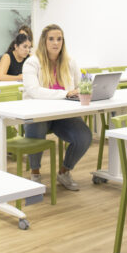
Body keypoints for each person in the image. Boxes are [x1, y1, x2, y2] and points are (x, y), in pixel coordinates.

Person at [22, 24, 92, 191]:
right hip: (38, 114)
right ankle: (35, 174)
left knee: (84, 137)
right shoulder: (32, 63)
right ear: (44, 42)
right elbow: (34, 91)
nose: (56, 43)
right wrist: (66, 93)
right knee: (35, 127)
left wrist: (84, 90)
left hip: (63, 115)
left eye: (59, 39)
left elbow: (77, 86)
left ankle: (64, 172)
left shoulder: (70, 62)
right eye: (51, 39)